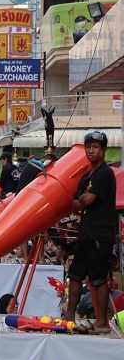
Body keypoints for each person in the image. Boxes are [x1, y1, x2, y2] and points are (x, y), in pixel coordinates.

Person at [65, 131, 117, 334]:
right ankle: (69, 317)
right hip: (86, 233)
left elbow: (85, 200)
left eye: (95, 147)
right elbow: (76, 203)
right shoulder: (87, 176)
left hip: (100, 234)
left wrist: (81, 200)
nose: (91, 151)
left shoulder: (105, 173)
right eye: (88, 147)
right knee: (75, 275)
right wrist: (80, 201)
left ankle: (102, 321)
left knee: (98, 279)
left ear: (103, 150)